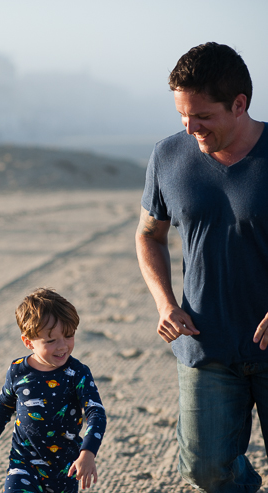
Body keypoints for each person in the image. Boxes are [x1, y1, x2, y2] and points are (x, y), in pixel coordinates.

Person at [136, 42, 268, 492]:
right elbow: (149, 235)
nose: (190, 128)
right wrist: (164, 303)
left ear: (239, 104)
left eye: (203, 117)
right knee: (205, 469)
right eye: (182, 117)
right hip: (204, 345)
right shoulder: (167, 157)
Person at [0, 288, 106, 492]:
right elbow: (3, 405)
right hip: (23, 463)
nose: (62, 346)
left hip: (64, 468)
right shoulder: (18, 371)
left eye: (68, 336)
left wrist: (88, 453)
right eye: (51, 341)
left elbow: (96, 413)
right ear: (28, 342)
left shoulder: (78, 373)